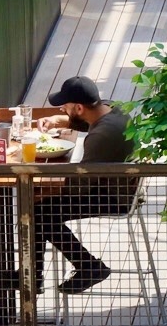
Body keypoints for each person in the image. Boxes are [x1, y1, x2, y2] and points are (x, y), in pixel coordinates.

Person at [30, 76, 136, 294]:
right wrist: (56, 120)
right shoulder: (112, 110)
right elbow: (88, 122)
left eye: (65, 106)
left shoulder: (101, 136)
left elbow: (77, 187)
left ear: (78, 107)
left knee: (40, 211)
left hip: (115, 197)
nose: (61, 108)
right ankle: (34, 276)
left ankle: (88, 267)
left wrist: (47, 184)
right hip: (116, 184)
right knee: (39, 206)